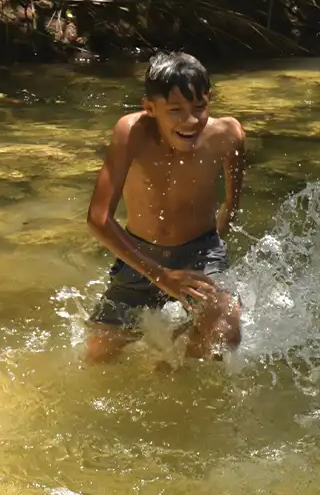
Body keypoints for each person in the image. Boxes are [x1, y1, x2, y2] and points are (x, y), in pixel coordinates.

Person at [83, 52, 246, 362]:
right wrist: (160, 275)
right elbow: (98, 218)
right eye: (175, 111)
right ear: (150, 108)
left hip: (200, 250)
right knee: (98, 358)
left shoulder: (228, 135)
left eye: (200, 107)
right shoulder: (131, 132)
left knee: (225, 332)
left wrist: (215, 255)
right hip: (140, 255)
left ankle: (182, 365)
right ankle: (169, 344)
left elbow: (230, 206)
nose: (191, 120)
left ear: (208, 98)